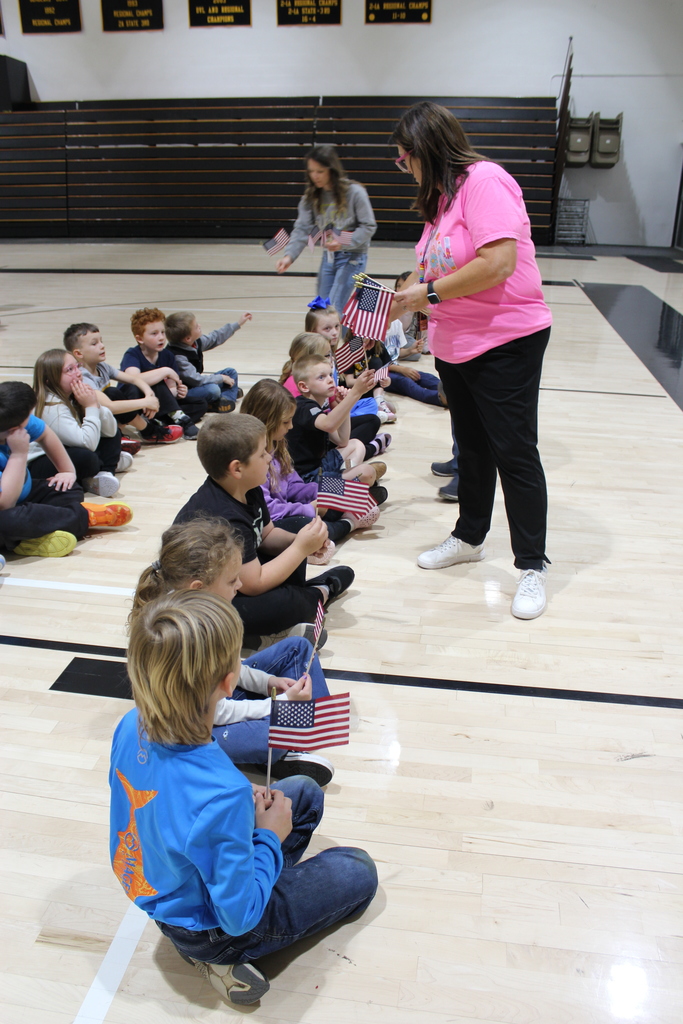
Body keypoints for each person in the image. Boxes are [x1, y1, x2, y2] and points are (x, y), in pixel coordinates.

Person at [110, 590, 377, 1005]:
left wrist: (238, 808)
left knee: (303, 793)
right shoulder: (222, 794)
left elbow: (165, 800)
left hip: (162, 885)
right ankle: (219, 958)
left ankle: (259, 882)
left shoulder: (132, 723)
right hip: (216, 928)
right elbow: (238, 916)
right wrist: (268, 837)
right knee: (359, 869)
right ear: (228, 681)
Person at [392, 101, 553, 619]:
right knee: (473, 450)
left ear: (423, 150)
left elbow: (499, 263)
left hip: (506, 339)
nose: (404, 169)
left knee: (514, 452)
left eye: (403, 159)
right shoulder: (441, 200)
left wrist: (428, 295)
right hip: (456, 344)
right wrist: (399, 300)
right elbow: (433, 270)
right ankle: (469, 536)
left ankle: (532, 565)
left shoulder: (485, 181)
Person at [131, 518, 334, 785]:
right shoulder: (184, 638)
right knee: (272, 728)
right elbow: (217, 713)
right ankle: (290, 738)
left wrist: (268, 682)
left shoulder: (201, 616)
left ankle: (299, 732)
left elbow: (232, 667)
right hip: (195, 733)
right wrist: (276, 705)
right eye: (231, 580)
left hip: (218, 703)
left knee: (299, 647)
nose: (239, 585)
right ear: (198, 588)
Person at [174, 414, 354, 642]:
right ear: (237, 469)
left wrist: (301, 543)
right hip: (206, 602)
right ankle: (319, 593)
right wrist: (299, 549)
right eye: (262, 454)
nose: (270, 457)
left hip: (236, 577)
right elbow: (253, 584)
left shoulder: (249, 487)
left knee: (298, 526)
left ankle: (302, 597)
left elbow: (266, 533)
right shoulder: (223, 518)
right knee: (287, 604)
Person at [0, 381, 131, 558]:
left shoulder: (12, 422)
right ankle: (85, 517)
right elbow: (5, 504)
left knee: (68, 488)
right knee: (11, 521)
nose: (31, 421)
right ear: (14, 429)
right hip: (6, 509)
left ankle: (29, 540)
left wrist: (67, 471)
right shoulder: (14, 427)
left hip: (24, 494)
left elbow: (45, 433)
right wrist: (18, 454)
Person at [241, 378, 379, 544]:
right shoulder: (253, 458)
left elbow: (294, 485)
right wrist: (309, 508)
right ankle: (348, 523)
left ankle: (345, 511)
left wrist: (322, 494)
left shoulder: (277, 445)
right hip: (275, 520)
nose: (291, 426)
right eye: (286, 422)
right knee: (309, 526)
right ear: (267, 420)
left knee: (358, 487)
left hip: (298, 498)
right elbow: (269, 510)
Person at [275, 145, 377, 312]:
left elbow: (369, 227)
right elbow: (302, 229)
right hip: (329, 257)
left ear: (332, 170)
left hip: (353, 257)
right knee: (321, 308)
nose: (315, 176)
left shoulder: (355, 193)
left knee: (334, 308)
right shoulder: (311, 197)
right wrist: (289, 256)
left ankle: (346, 338)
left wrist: (342, 241)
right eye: (311, 171)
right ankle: (333, 338)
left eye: (320, 171)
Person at [287, 356, 387, 506]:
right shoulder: (303, 406)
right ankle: (352, 490)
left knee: (356, 444)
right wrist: (355, 393)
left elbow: (342, 440)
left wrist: (342, 406)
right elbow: (329, 425)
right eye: (321, 377)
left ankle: (351, 486)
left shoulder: (317, 407)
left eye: (329, 375)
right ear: (304, 386)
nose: (329, 380)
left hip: (320, 466)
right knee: (367, 472)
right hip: (306, 481)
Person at [30, 349, 129, 497]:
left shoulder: (71, 395)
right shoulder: (51, 407)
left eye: (77, 366)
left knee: (112, 433)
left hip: (66, 449)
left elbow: (110, 430)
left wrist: (95, 404)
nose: (78, 373)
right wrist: (90, 407)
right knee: (86, 458)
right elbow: (86, 444)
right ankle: (103, 467)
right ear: (49, 380)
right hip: (38, 463)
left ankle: (104, 472)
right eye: (70, 370)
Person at [64, 322, 182, 445]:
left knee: (130, 388)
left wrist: (149, 394)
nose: (102, 346)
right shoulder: (82, 376)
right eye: (94, 344)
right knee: (112, 393)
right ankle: (148, 430)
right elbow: (109, 406)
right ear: (78, 353)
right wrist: (145, 402)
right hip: (91, 427)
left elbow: (134, 379)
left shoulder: (102, 367)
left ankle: (120, 434)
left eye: (101, 341)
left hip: (107, 420)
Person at [280, 329, 390, 461]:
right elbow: (329, 424)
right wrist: (355, 393)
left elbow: (340, 438)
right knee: (364, 471)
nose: (331, 358)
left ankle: (356, 458)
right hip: (309, 472)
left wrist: (345, 402)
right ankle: (368, 451)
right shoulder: (300, 399)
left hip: (320, 451)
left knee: (371, 422)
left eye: (330, 354)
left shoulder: (320, 384)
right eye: (326, 355)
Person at [121, 307, 206, 439]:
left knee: (200, 404)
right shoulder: (132, 354)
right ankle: (181, 420)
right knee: (153, 376)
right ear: (140, 339)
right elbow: (132, 379)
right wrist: (164, 371)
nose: (161, 337)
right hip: (135, 401)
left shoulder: (167, 355)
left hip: (158, 402)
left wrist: (177, 393)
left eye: (162, 332)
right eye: (154, 334)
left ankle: (161, 422)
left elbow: (171, 389)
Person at [165, 310, 252, 414]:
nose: (200, 325)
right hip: (185, 392)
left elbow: (215, 337)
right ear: (188, 338)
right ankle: (222, 398)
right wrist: (221, 378)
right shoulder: (178, 356)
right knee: (213, 390)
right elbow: (196, 380)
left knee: (230, 372)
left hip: (197, 385)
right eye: (196, 326)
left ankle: (224, 400)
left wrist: (238, 324)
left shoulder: (194, 342)